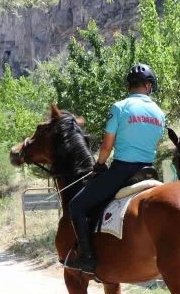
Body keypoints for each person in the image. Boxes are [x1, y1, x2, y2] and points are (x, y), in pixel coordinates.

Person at [66, 63, 166, 274]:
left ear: (129, 86)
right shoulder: (159, 113)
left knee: (77, 205)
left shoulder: (119, 107)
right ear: (149, 86)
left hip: (122, 171)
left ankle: (87, 257)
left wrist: (99, 165)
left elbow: (106, 145)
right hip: (149, 170)